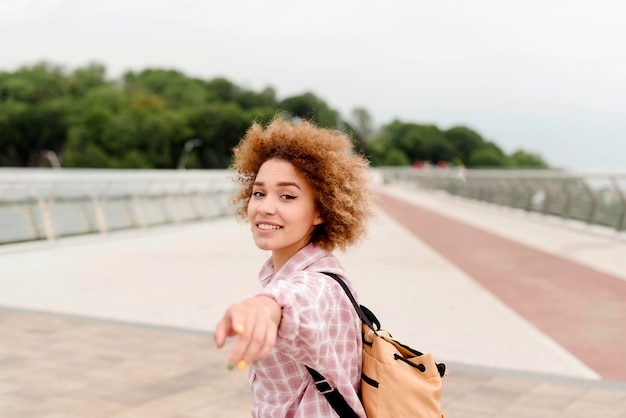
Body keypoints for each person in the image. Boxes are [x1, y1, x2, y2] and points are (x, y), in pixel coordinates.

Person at [214, 116, 374, 417]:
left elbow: (301, 301)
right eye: (259, 193)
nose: (265, 207)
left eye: (287, 196)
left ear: (320, 212)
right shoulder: (291, 273)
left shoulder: (320, 285)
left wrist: (264, 307)